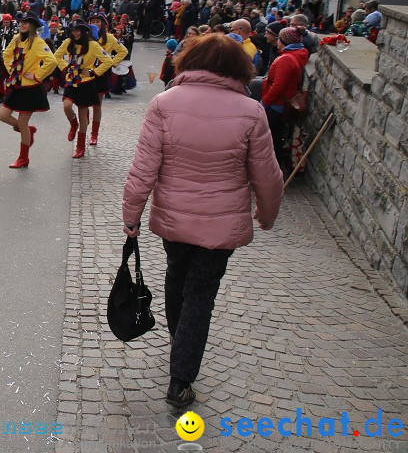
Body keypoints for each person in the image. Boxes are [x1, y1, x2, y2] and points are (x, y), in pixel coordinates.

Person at [121, 33, 283, 408]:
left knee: (177, 276)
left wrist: (132, 215)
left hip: (174, 219)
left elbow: (143, 168)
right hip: (221, 225)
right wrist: (267, 214)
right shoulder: (251, 110)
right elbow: (268, 174)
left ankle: (182, 346)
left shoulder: (164, 103)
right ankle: (181, 377)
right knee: (201, 292)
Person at [0, 13, 57, 168]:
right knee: (3, 116)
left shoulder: (38, 42)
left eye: (26, 23)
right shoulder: (17, 39)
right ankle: (27, 132)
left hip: (30, 88)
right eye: (21, 22)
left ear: (32, 26)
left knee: (22, 123)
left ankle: (23, 158)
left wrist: (38, 75)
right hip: (16, 85)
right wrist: (12, 69)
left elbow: (52, 61)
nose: (22, 25)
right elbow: (6, 54)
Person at [54, 23, 113, 158]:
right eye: (73, 31)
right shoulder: (68, 42)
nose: (75, 34)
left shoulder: (93, 45)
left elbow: (107, 61)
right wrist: (65, 68)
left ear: (85, 32)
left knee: (83, 114)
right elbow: (57, 56)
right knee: (67, 106)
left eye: (78, 31)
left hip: (86, 83)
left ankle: (80, 147)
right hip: (71, 81)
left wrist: (93, 72)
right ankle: (73, 124)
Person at [261, 25, 310, 167]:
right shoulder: (295, 55)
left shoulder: (286, 59)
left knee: (270, 139)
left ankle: (271, 168)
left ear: (282, 40)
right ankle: (275, 167)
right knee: (275, 138)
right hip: (281, 103)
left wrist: (264, 103)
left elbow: (278, 86)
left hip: (276, 105)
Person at [88, 13, 128, 144]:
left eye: (97, 22)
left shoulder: (110, 38)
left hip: (101, 74)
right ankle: (84, 124)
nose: (95, 24)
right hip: (86, 73)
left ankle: (94, 134)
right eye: (92, 21)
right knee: (83, 103)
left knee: (97, 105)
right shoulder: (87, 37)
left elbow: (123, 51)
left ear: (103, 24)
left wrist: (111, 63)